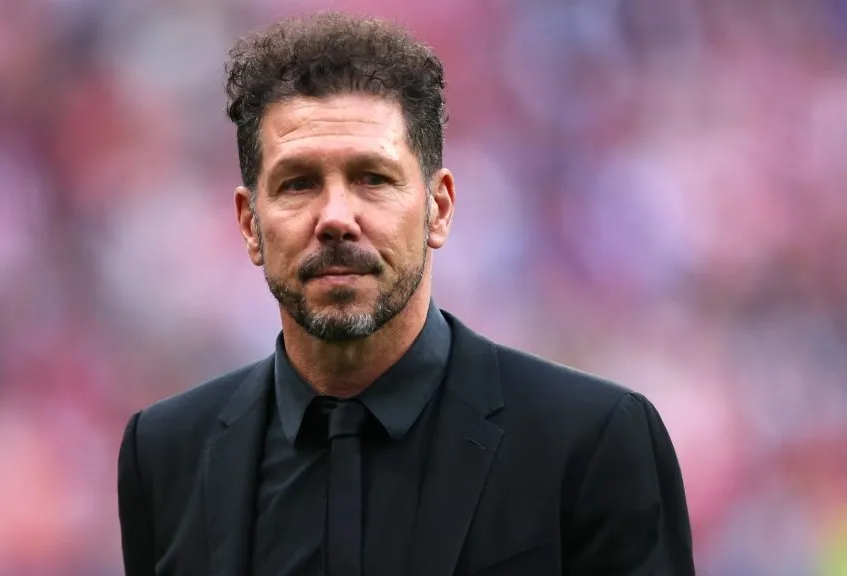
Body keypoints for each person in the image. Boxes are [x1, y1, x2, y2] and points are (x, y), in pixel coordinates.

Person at [117, 11, 694, 576]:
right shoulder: (165, 455)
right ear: (249, 224)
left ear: (437, 209)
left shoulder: (591, 442)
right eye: (298, 184)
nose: (336, 217)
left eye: (372, 178)